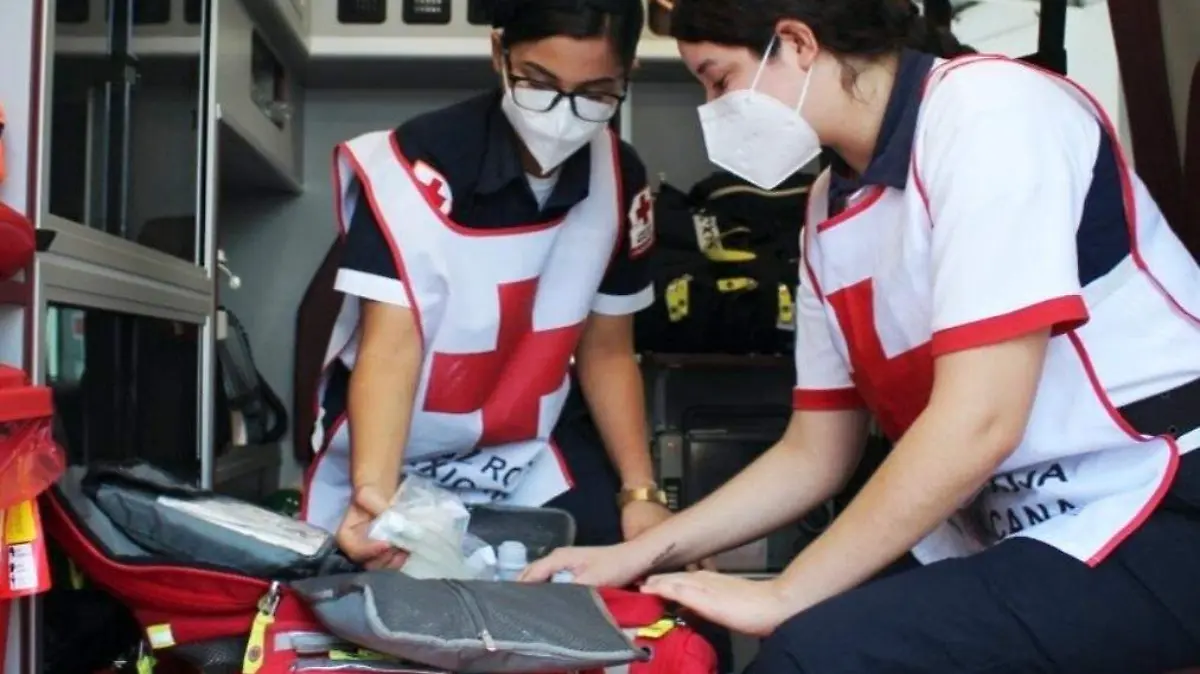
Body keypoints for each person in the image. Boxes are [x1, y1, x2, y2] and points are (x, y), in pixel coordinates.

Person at [522, 0, 1200, 671]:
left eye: (719, 80)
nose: (713, 110)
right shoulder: (828, 207)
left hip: (1154, 499)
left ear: (796, 43)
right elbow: (814, 453)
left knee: (813, 652)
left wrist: (786, 594)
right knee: (762, 630)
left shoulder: (990, 110)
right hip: (1017, 518)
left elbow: (982, 421)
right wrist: (639, 553)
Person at [303, 0, 675, 568]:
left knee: (614, 572)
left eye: (596, 93)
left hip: (527, 449)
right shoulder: (418, 163)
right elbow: (391, 348)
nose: (562, 114)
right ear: (500, 53)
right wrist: (372, 492)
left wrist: (640, 493)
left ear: (628, 75)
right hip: (396, 444)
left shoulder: (619, 177)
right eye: (539, 83)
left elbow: (607, 350)